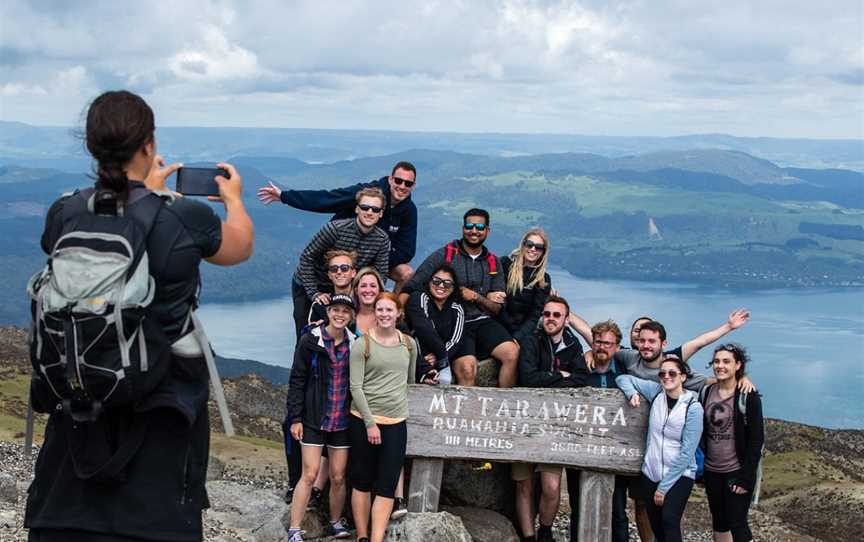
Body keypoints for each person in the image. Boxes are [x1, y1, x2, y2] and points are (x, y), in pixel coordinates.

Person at [25, 90, 254, 541]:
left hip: (71, 447)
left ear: (92, 146)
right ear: (148, 144)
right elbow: (239, 247)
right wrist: (234, 199)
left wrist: (145, 193)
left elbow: (115, 223)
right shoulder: (183, 218)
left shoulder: (64, 213)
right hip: (158, 452)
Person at [402, 208, 519, 388]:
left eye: (479, 226)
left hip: (483, 321)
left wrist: (476, 297)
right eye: (469, 225)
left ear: (488, 230)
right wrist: (397, 309)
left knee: (511, 353)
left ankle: (504, 407)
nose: (474, 230)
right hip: (455, 322)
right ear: (463, 228)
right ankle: (465, 415)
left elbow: (496, 309)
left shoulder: (493, 262)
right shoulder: (445, 254)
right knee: (466, 368)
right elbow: (414, 284)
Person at [258, 161, 418, 291]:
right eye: (398, 180)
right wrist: (285, 196)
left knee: (407, 273)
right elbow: (328, 199)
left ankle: (394, 313)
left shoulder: (409, 211)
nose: (402, 186)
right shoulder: (366, 195)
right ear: (390, 179)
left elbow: (407, 251)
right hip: (341, 254)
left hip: (372, 258)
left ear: (413, 186)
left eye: (408, 183)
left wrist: (372, 258)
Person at [285, 295, 359, 541]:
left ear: (351, 316)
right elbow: (297, 380)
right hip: (314, 418)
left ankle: (335, 523)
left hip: (342, 421)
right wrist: (295, 418)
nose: (340, 315)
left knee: (338, 476)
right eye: (335, 309)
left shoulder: (355, 344)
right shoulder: (310, 341)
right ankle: (295, 529)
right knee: (309, 473)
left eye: (345, 311)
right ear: (328, 312)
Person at [515, 295, 588, 542]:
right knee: (524, 485)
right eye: (547, 314)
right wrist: (560, 376)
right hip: (525, 423)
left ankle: (545, 531)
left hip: (554, 426)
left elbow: (581, 379)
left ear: (566, 320)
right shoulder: (530, 341)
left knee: (552, 486)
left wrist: (550, 377)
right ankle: (528, 537)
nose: (550, 319)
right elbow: (528, 378)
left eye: (557, 315)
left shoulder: (572, 344)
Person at [349, 293, 417, 542]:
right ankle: (362, 536)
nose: (384, 314)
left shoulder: (409, 344)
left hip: (396, 423)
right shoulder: (362, 344)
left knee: (387, 484)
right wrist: (370, 424)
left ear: (399, 313)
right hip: (363, 421)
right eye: (380, 310)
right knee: (362, 480)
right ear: (374, 312)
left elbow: (409, 382)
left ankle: (376, 538)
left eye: (389, 310)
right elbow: (355, 388)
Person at [617, 357, 705, 542]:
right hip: (650, 473)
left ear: (683, 377)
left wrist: (663, 488)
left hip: (679, 476)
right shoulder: (656, 393)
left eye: (672, 373)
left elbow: (687, 451)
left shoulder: (693, 408)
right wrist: (632, 392)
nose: (666, 377)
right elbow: (623, 378)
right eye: (662, 373)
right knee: (657, 527)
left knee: (669, 521)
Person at [291, 187, 391, 338]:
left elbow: (380, 274)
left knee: (341, 332)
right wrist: (314, 292)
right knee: (306, 333)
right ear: (357, 209)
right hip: (309, 283)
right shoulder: (335, 229)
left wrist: (366, 297)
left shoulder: (382, 240)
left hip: (342, 286)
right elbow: (307, 257)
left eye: (375, 209)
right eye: (365, 207)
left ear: (381, 213)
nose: (369, 212)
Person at [565, 320, 630, 542]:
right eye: (598, 342)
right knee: (578, 506)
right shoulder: (579, 366)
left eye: (608, 344)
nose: (602, 347)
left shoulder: (625, 371)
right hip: (580, 449)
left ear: (617, 347)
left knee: (618, 509)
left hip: (616, 452)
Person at [700, 344, 764, 542]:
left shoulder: (748, 395)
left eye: (726, 361)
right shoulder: (706, 392)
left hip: (736, 472)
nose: (720, 366)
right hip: (712, 471)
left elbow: (756, 439)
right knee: (719, 521)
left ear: (738, 365)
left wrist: (746, 477)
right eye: (717, 361)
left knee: (738, 523)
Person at [404, 264, 466, 385]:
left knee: (444, 381)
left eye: (447, 283)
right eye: (436, 281)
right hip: (418, 358)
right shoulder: (419, 298)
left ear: (453, 288)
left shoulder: (457, 309)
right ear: (429, 282)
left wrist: (439, 358)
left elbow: (455, 340)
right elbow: (423, 328)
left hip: (442, 360)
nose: (441, 286)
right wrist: (432, 358)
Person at [499, 228, 552, 344]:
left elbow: (535, 315)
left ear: (543, 252)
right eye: (530, 245)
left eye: (538, 247)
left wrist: (517, 337)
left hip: (523, 333)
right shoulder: (505, 264)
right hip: (499, 325)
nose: (533, 249)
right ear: (523, 245)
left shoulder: (543, 280)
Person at [306, 250, 358, 326]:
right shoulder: (320, 305)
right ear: (329, 275)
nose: (339, 272)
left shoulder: (362, 302)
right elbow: (311, 334)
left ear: (353, 273)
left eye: (344, 268)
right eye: (334, 269)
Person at [352, 267, 386, 335]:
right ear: (356, 291)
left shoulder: (390, 317)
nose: (368, 290)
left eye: (373, 286)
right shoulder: (347, 318)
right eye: (363, 286)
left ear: (379, 290)